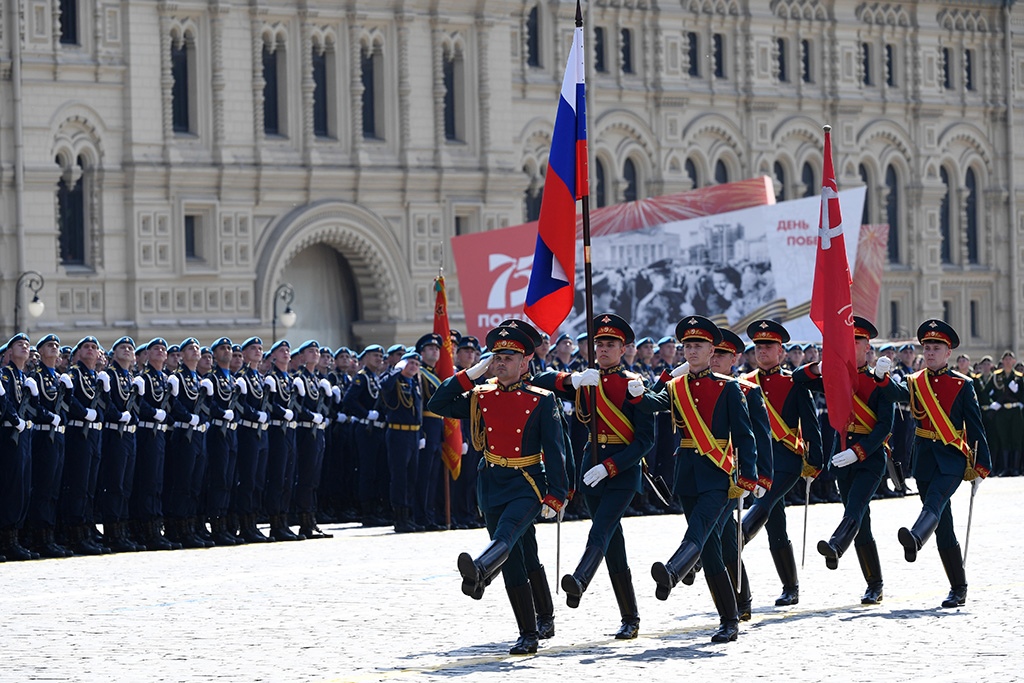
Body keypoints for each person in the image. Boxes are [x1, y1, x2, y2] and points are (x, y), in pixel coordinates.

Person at [428, 324, 568, 656]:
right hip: (492, 483)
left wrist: (558, 494)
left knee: (505, 539)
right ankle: (542, 618)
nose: (500, 363)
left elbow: (558, 450)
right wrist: (470, 374)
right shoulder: (481, 396)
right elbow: (439, 402)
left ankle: (485, 577)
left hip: (527, 483)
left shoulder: (541, 400)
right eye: (497, 357)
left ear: (526, 361)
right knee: (520, 556)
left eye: (508, 357)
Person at [532, 314, 654, 639]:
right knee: (614, 544)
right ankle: (630, 617)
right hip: (591, 469)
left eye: (610, 344)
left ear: (624, 348)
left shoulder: (634, 384)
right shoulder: (587, 380)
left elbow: (646, 440)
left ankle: (580, 579)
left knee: (601, 530)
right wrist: (570, 381)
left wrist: (611, 466)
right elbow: (540, 380)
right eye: (598, 343)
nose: (602, 349)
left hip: (622, 471)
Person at [643, 316, 759, 643]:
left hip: (718, 475)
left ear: (712, 351)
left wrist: (749, 477)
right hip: (688, 476)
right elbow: (651, 404)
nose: (692, 351)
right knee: (710, 553)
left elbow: (746, 437)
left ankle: (673, 571)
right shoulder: (676, 387)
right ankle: (729, 618)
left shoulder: (729, 388)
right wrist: (642, 388)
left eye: (699, 346)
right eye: (688, 346)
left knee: (699, 531)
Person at [793, 317, 897, 604]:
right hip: (841, 457)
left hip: (870, 457)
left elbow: (884, 426)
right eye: (846, 342)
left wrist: (859, 451)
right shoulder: (836, 378)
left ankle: (837, 545)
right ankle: (874, 584)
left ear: (868, 348)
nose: (850, 347)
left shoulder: (880, 380)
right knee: (863, 522)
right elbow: (798, 380)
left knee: (855, 507)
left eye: (856, 342)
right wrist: (819, 367)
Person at [891, 320, 991, 608]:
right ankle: (958, 587)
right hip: (923, 460)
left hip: (952, 459)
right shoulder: (914, 382)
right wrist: (880, 377)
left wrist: (981, 466)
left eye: (937, 348)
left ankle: (915, 537)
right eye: (927, 347)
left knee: (933, 503)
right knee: (943, 525)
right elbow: (890, 394)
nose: (931, 352)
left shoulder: (963, 384)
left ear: (948, 353)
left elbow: (975, 427)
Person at [738, 319, 823, 608]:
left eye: (768, 346)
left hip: (786, 461)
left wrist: (815, 460)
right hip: (758, 461)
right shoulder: (744, 383)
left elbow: (811, 426)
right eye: (758, 346)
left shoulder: (793, 383)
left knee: (763, 502)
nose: (762, 351)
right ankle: (791, 587)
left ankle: (738, 538)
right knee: (776, 523)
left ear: (781, 352)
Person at [710, 328, 773, 621]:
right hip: (706, 472)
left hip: (734, 475)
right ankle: (741, 598)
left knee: (721, 534)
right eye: (713, 352)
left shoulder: (746, 390)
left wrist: (761, 477)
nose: (714, 358)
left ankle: (738, 600)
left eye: (721, 354)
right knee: (726, 538)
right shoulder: (696, 386)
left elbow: (761, 436)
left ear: (734, 359)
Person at [131, 337, 179, 551]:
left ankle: (155, 528)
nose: (160, 351)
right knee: (149, 482)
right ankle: (147, 530)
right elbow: (136, 405)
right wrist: (155, 413)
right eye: (155, 349)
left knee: (158, 482)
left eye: (163, 349)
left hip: (161, 435)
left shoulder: (166, 379)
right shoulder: (144, 378)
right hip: (148, 434)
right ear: (147, 355)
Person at [164, 337, 211, 548]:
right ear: (181, 356)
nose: (194, 351)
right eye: (190, 348)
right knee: (182, 483)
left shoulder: (200, 379)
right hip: (184, 435)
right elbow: (172, 405)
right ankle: (178, 527)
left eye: (197, 348)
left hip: (199, 435)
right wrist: (187, 417)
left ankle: (190, 526)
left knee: (195, 483)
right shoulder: (177, 378)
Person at [0, 334, 38, 560]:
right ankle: (7, 540)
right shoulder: (5, 374)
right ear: (8, 353)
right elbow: (6, 405)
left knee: (24, 486)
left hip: (25, 435)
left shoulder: (27, 377)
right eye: (19, 345)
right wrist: (14, 418)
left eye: (27, 345)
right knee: (12, 486)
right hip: (10, 434)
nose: (24, 348)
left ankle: (16, 537)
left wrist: (34, 396)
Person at [343, 344, 390, 527]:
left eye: (380, 355)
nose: (379, 358)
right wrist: (365, 413)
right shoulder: (361, 378)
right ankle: (367, 512)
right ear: (365, 358)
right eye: (374, 355)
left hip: (377, 429)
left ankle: (377, 509)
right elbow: (349, 400)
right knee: (367, 471)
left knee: (378, 470)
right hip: (366, 429)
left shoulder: (375, 378)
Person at [263, 340, 304, 541]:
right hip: (277, 430)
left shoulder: (291, 379)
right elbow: (268, 405)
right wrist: (283, 412)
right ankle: (275, 524)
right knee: (278, 477)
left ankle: (284, 520)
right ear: (273, 357)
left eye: (288, 350)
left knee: (289, 477)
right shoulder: (270, 379)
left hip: (291, 432)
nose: (286, 353)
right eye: (282, 351)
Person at [380, 350, 424, 533]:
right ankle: (399, 519)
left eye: (416, 364)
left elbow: (418, 410)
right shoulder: (393, 379)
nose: (413, 366)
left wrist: (421, 433)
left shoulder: (415, 383)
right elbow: (384, 387)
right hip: (398, 434)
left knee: (411, 477)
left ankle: (408, 516)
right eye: (410, 363)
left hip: (413, 435)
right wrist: (395, 371)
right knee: (399, 478)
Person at [233, 337, 272, 543]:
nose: (258, 351)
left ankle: (254, 522)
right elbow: (239, 405)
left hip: (261, 433)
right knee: (247, 480)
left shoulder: (259, 377)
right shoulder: (241, 377)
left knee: (258, 480)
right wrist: (255, 415)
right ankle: (245, 524)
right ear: (244, 353)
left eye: (260, 348)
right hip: (247, 432)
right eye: (253, 349)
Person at [203, 337, 241, 546]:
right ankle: (217, 526)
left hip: (232, 433)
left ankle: (226, 524)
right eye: (222, 349)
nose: (227, 351)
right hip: (218, 432)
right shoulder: (212, 379)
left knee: (229, 480)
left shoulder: (234, 379)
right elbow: (206, 405)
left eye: (229, 348)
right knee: (219, 480)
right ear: (215, 355)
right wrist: (221, 413)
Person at [292, 340, 331, 539]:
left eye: (317, 351)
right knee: (306, 478)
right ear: (302, 356)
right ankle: (304, 523)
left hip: (318, 432)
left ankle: (312, 520)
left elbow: (324, 408)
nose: (315, 354)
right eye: (311, 351)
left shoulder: (317, 380)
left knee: (315, 479)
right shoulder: (298, 379)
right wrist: (310, 416)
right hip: (306, 432)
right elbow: (295, 406)